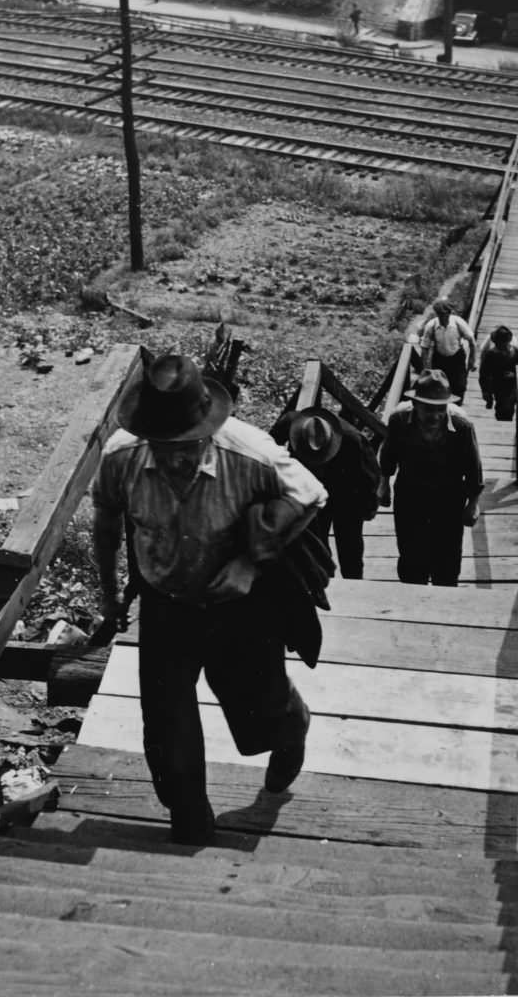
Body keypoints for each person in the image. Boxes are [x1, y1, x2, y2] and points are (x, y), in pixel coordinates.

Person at [92, 353, 326, 844]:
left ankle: (292, 724)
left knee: (261, 710)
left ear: (209, 429)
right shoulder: (121, 457)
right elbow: (107, 522)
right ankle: (190, 820)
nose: (177, 458)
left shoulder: (250, 453)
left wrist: (251, 561)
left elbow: (310, 493)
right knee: (166, 721)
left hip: (238, 605)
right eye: (164, 446)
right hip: (166, 600)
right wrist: (111, 594)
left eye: (188, 446)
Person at [377, 370, 483, 586]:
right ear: (414, 404)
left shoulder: (462, 427)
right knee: (410, 553)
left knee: (448, 556)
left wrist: (473, 504)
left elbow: (474, 469)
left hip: (449, 495)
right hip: (410, 492)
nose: (435, 416)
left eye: (440, 409)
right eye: (428, 409)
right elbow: (389, 454)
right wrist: (384, 484)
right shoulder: (399, 420)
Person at [276, 408, 381, 580]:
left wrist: (369, 505)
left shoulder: (352, 440)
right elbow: (268, 446)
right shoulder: (290, 423)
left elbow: (370, 476)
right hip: (313, 486)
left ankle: (354, 582)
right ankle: (323, 579)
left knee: (349, 542)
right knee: (316, 540)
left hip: (346, 489)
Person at [419, 299, 477, 403]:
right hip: (440, 359)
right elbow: (424, 347)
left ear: (449, 313)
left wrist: (472, 360)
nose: (442, 317)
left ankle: (457, 406)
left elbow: (472, 342)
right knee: (439, 386)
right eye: (439, 314)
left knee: (460, 386)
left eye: (444, 314)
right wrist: (425, 368)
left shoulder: (458, 323)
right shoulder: (431, 326)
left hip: (456, 358)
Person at [478, 326, 518, 421]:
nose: (499, 346)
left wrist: (516, 373)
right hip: (498, 385)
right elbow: (483, 374)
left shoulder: (517, 352)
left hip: (515, 384)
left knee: (516, 407)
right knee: (503, 410)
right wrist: (486, 392)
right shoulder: (491, 354)